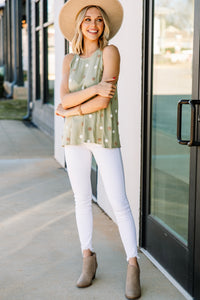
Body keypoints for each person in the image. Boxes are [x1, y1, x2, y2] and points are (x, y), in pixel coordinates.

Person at [56, 0, 141, 299]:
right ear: (79, 24)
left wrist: (70, 110)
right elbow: (64, 99)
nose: (94, 24)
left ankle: (133, 265)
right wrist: (91, 90)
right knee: (82, 199)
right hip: (74, 138)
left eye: (99, 20)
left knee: (119, 201)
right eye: (88, 19)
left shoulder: (110, 52)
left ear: (105, 26)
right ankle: (88, 259)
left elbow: (104, 101)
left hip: (103, 136)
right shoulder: (69, 60)